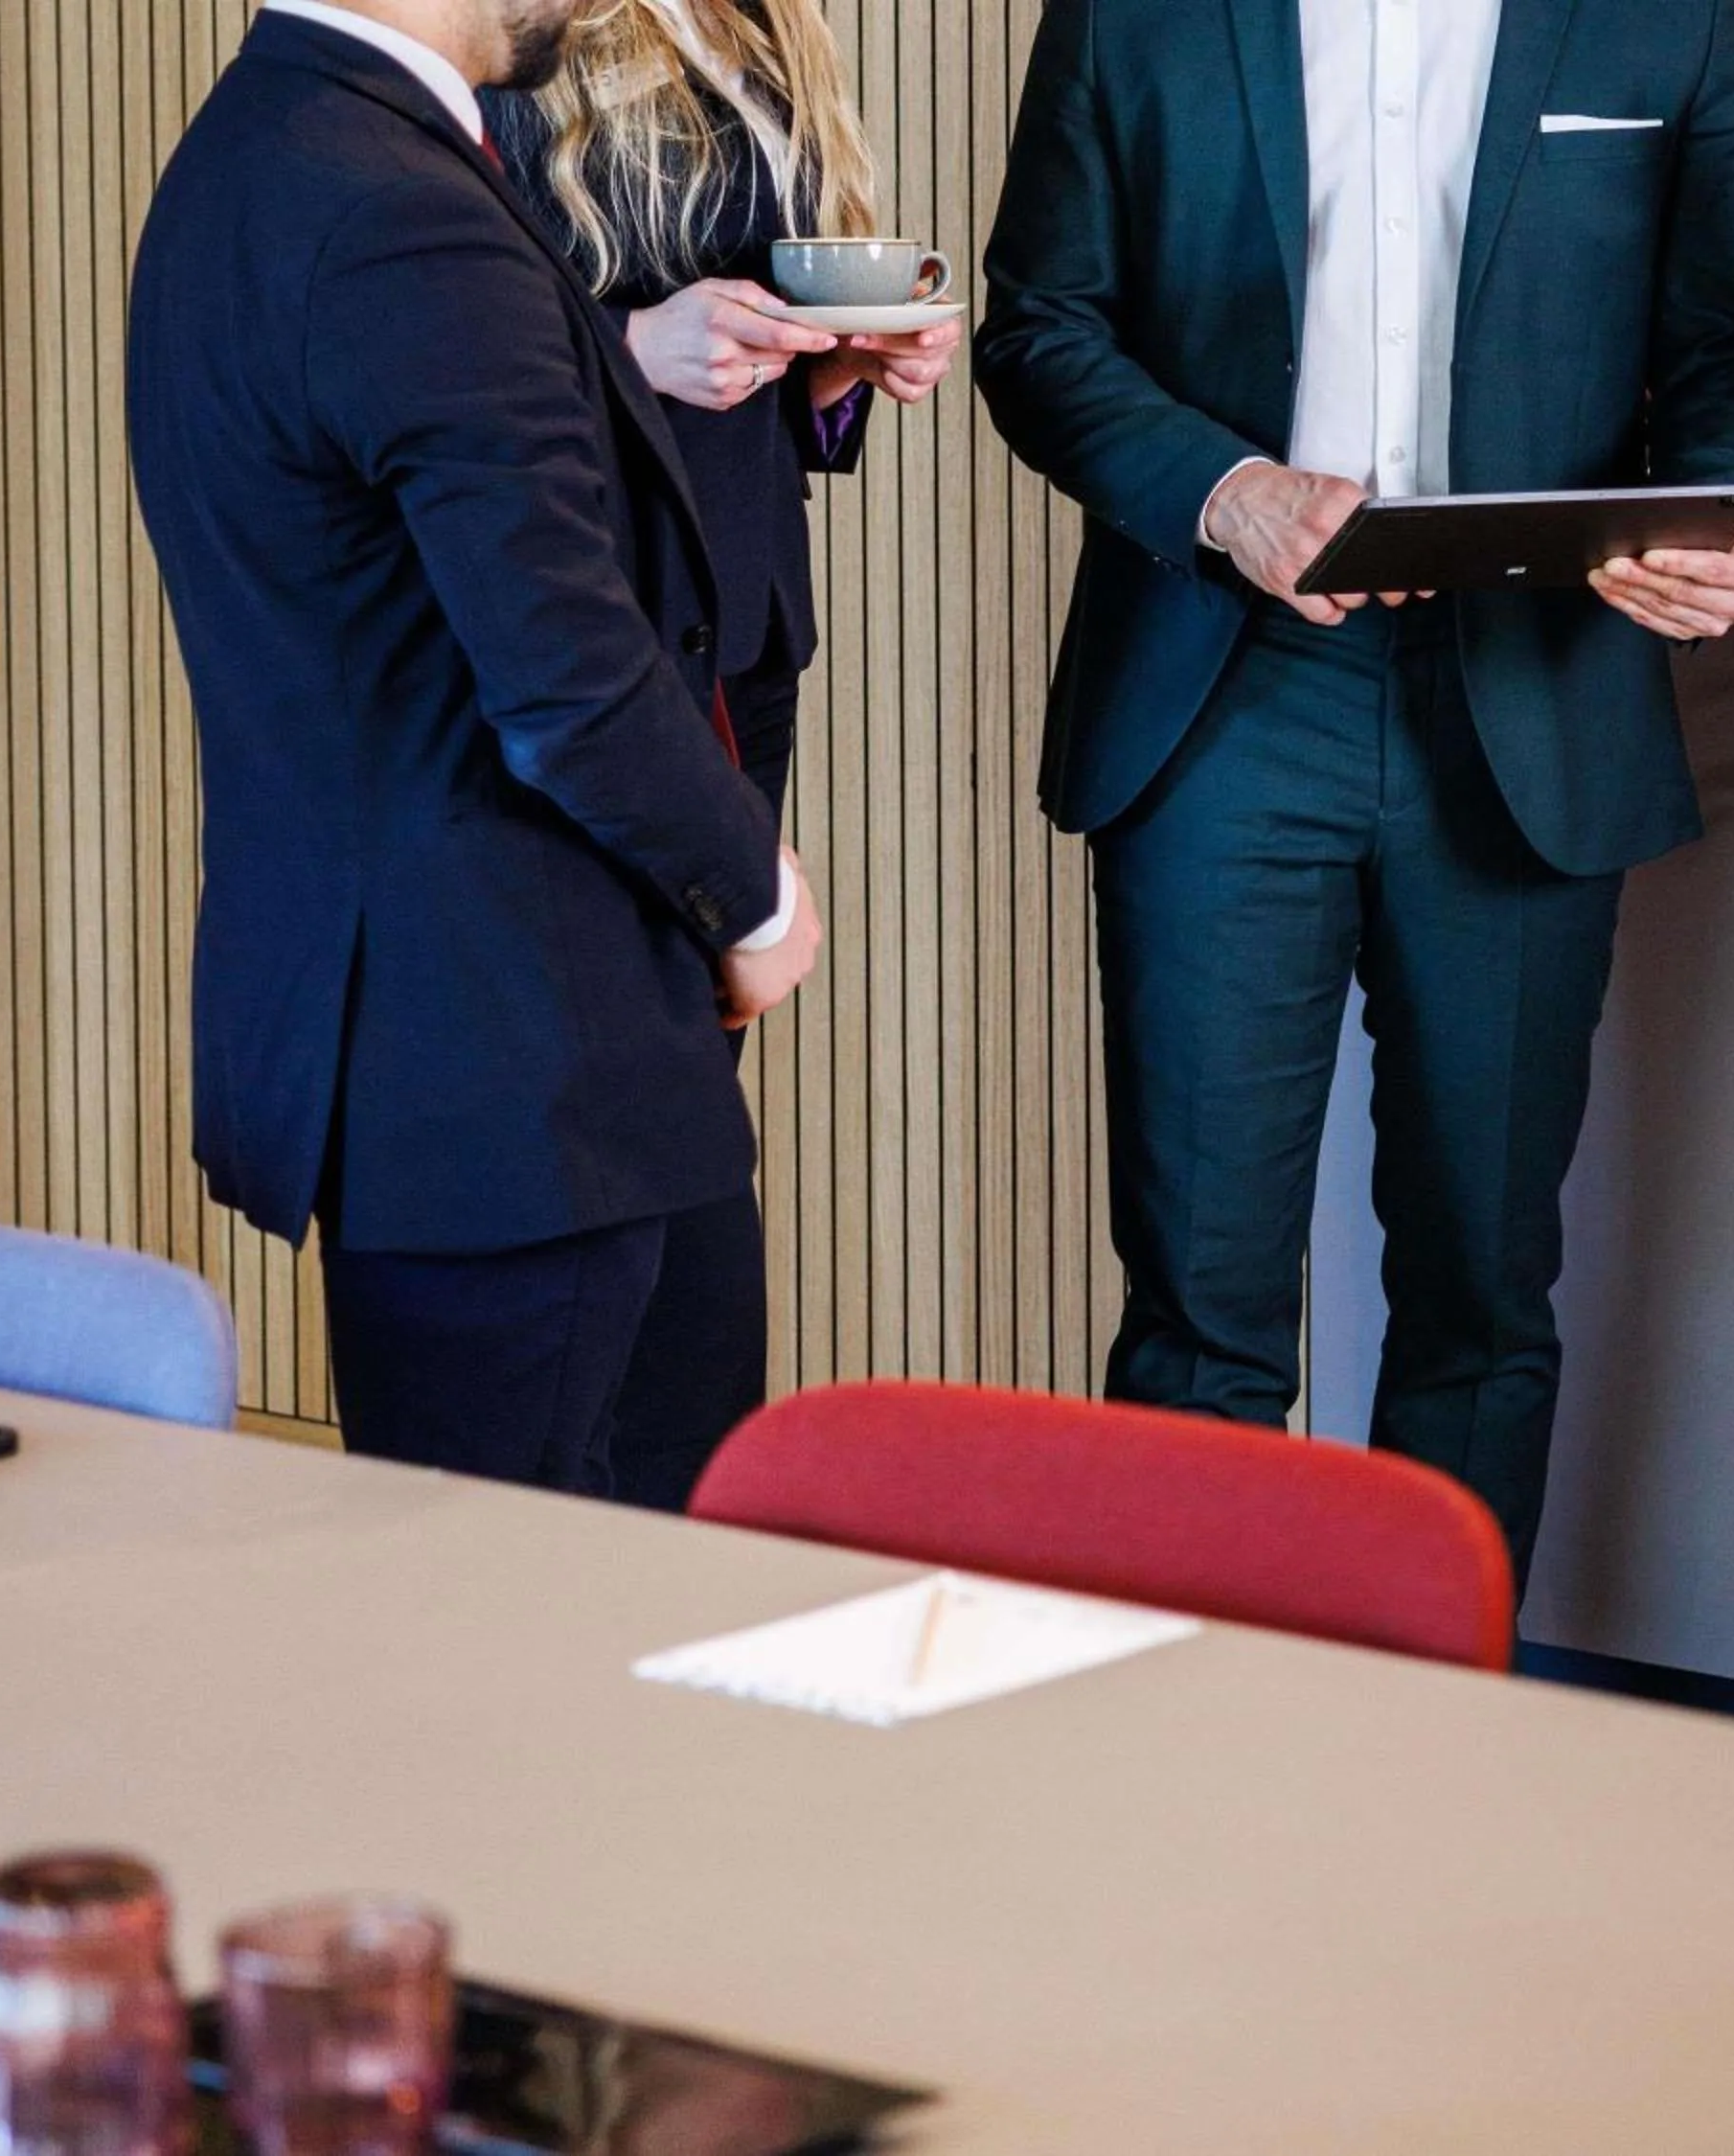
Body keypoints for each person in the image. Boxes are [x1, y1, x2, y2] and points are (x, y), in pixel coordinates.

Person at [976, 0, 1734, 1590]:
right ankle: (1198, 1749)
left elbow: (1722, 345)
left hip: (1534, 685)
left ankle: (1437, 1756)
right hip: (1224, 682)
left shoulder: (1673, 17)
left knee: (1482, 1295)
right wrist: (1227, 494)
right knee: (1199, 1303)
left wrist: (1707, 513)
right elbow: (1041, 324)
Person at [128, 0, 822, 1493]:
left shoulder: (246, 157)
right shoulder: (400, 216)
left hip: (437, 1076)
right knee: (587, 1641)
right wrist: (753, 896)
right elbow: (567, 671)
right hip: (531, 1082)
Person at [480, 0, 960, 1510]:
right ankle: (603, 1518)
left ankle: (658, 1509)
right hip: (599, 638)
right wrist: (632, 345)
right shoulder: (513, 28)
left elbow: (740, 363)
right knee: (611, 1124)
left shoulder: (761, 20)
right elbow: (463, 339)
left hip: (740, 628)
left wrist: (831, 373)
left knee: (685, 1108)